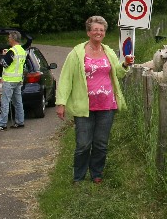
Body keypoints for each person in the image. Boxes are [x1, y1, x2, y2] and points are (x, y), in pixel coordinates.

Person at [55, 16, 129, 184]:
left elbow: (117, 72)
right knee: (83, 144)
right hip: (84, 106)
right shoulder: (76, 53)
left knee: (101, 143)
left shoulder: (108, 52)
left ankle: (96, 174)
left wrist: (125, 65)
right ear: (88, 32)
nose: (99, 32)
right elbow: (66, 78)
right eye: (95, 29)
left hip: (107, 105)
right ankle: (78, 177)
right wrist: (61, 103)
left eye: (102, 30)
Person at [0, 30, 27, 131]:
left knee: (5, 102)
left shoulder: (12, 51)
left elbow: (4, 64)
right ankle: (20, 121)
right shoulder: (22, 50)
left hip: (9, 80)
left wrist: (3, 55)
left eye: (9, 37)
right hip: (18, 79)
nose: (8, 39)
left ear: (13, 39)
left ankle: (2, 124)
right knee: (18, 102)